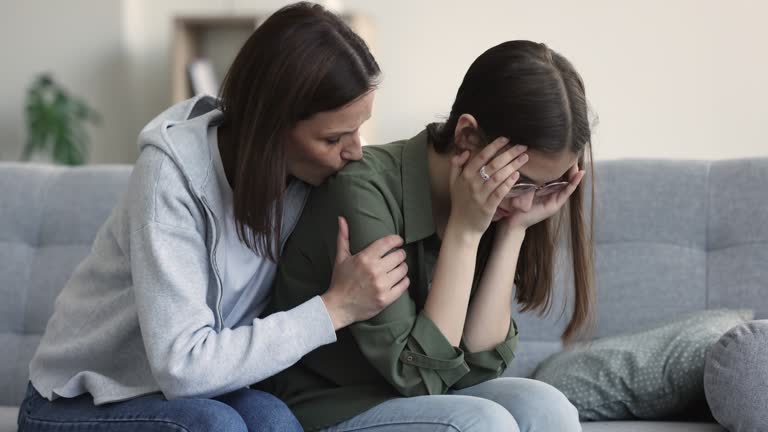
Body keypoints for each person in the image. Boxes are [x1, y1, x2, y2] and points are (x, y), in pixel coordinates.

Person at [18, 3, 410, 431]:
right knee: (214, 424)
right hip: (74, 400)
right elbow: (183, 369)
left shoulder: (307, 177)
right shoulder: (169, 179)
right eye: (334, 138)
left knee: (274, 418)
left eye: (359, 129)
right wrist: (333, 309)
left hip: (191, 393)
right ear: (271, 128)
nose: (355, 150)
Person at [260, 40, 596, 431]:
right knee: (482, 423)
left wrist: (514, 229)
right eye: (521, 182)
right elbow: (419, 377)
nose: (526, 199)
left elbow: (477, 366)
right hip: (329, 403)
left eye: (545, 187)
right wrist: (466, 233)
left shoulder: (499, 202)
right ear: (467, 136)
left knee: (548, 408)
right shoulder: (362, 190)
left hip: (415, 397)